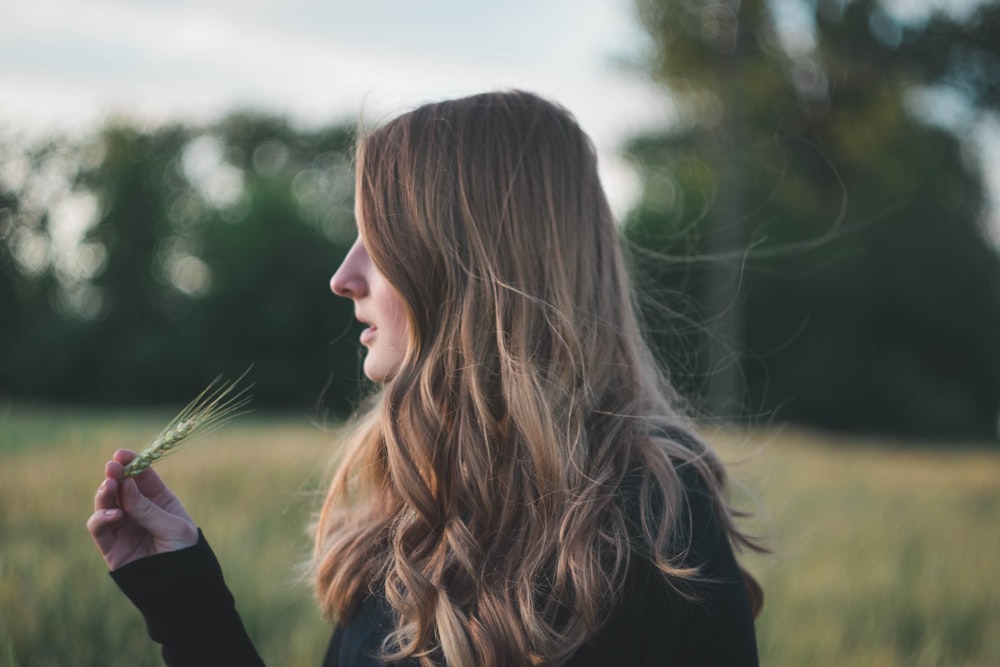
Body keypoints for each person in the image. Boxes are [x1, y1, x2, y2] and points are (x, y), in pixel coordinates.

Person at [88, 90, 763, 666]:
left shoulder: (659, 526)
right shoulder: (409, 510)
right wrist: (186, 598)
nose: (342, 277)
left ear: (468, 267)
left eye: (379, 244)